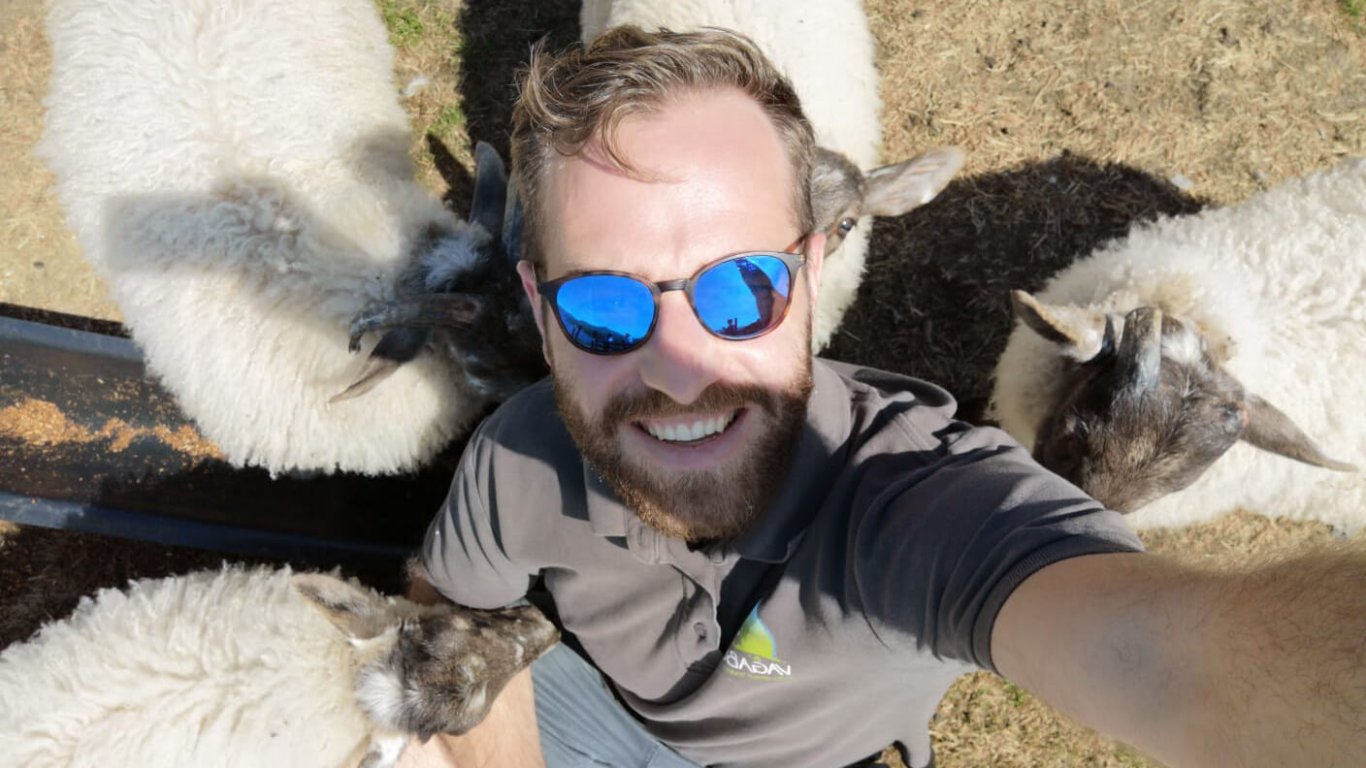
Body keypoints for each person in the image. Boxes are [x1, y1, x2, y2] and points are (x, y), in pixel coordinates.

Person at [400, 26, 1366, 768]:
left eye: (741, 288)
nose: (679, 368)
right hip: (591, 711)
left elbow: (1172, 663)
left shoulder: (923, 503)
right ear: (538, 301)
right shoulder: (518, 452)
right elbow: (452, 606)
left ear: (813, 271)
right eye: (604, 305)